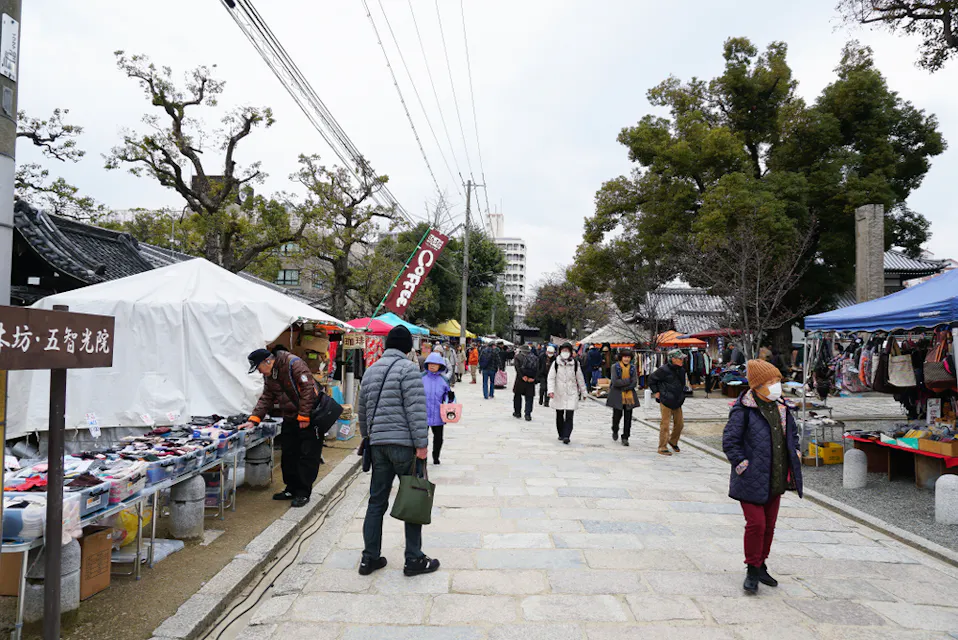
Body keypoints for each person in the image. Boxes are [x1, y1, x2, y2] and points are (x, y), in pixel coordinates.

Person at [357, 325, 440, 577]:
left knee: (376, 501)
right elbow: (416, 411)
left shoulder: (371, 371)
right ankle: (413, 559)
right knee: (413, 497)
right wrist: (422, 445)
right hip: (404, 445)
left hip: (378, 445)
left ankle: (369, 557)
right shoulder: (408, 369)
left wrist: (367, 438)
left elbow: (362, 411)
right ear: (407, 347)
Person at [722, 359, 803, 594]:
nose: (776, 385)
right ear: (757, 385)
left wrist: (795, 453)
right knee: (756, 524)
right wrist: (742, 465)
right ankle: (751, 569)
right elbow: (730, 441)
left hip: (776, 476)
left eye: (777, 380)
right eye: (770, 381)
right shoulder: (743, 409)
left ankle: (761, 564)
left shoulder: (782, 407)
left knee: (769, 526)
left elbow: (793, 436)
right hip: (751, 477)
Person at [242, 347, 321, 508]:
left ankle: (303, 492)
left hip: (308, 417)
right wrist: (254, 419)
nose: (260, 372)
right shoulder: (270, 375)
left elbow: (307, 389)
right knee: (289, 454)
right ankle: (291, 488)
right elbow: (267, 397)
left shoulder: (293, 363)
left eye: (259, 368)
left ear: (268, 361)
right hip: (290, 417)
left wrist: (304, 415)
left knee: (306, 456)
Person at [648, 348, 688, 456]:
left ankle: (673, 441)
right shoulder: (663, 370)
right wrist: (656, 392)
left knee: (680, 424)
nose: (681, 360)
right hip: (666, 399)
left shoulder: (682, 370)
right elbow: (651, 380)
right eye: (679, 359)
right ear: (673, 359)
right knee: (665, 425)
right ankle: (662, 446)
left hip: (677, 400)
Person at [547, 342, 587, 444]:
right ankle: (561, 433)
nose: (565, 352)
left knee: (569, 414)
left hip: (571, 392)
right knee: (559, 414)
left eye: (567, 350)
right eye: (563, 350)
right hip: (559, 391)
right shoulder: (556, 363)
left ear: (570, 352)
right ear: (560, 351)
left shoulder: (575, 364)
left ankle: (567, 435)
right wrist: (550, 391)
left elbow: (580, 379)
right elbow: (551, 378)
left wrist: (584, 392)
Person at [422, 352, 452, 465]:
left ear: (440, 365)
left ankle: (436, 456)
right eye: (430, 363)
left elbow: (448, 397)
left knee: (438, 437)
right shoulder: (421, 378)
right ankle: (422, 457)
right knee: (422, 438)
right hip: (423, 413)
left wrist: (450, 399)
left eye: (435, 364)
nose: (432, 366)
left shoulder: (444, 380)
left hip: (438, 414)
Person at [607, 349, 639, 446]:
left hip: (629, 395)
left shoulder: (633, 368)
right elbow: (615, 381)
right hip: (617, 394)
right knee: (617, 415)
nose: (626, 359)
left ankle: (625, 437)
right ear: (621, 357)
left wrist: (626, 385)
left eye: (628, 357)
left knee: (628, 417)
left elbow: (634, 382)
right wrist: (628, 381)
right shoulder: (615, 367)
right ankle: (615, 429)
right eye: (625, 357)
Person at [512, 344, 538, 421]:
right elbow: (538, 369)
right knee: (529, 398)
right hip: (530, 380)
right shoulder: (535, 357)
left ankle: (517, 412)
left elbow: (517, 368)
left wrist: (522, 376)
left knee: (517, 396)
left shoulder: (518, 357)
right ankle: (528, 414)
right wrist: (533, 378)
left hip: (520, 380)